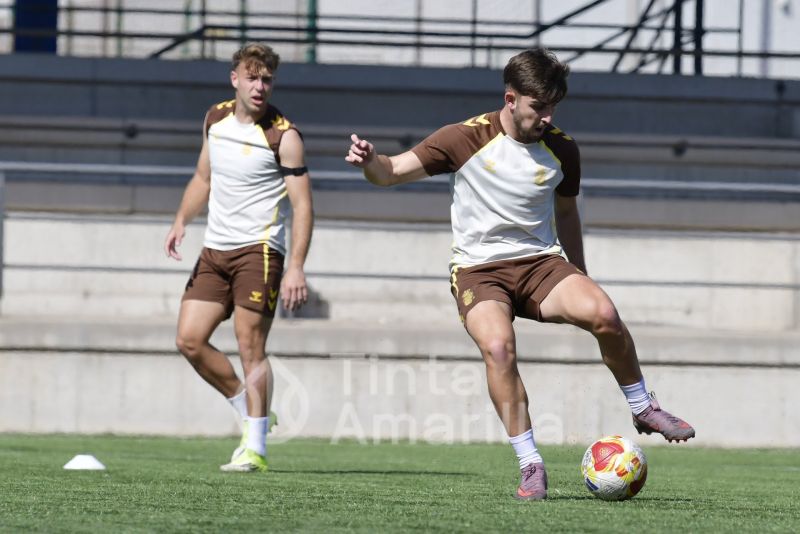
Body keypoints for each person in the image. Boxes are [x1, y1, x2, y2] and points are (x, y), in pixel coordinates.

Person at [345, 48, 694, 500]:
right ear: (511, 99)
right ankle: (531, 464)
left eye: (553, 107)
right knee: (498, 348)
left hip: (541, 264)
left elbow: (567, 212)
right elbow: (390, 173)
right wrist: (370, 159)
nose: (547, 117)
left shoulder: (563, 149)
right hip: (478, 270)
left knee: (604, 313)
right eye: (538, 107)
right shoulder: (463, 138)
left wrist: (580, 274)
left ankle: (643, 406)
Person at [164, 43, 313, 473]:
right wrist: (180, 221)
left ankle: (256, 447)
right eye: (252, 77)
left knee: (251, 346)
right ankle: (249, 413)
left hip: (260, 251)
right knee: (189, 340)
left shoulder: (284, 136)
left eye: (267, 79)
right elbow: (202, 177)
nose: (260, 86)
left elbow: (303, 206)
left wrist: (297, 265)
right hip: (215, 250)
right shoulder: (215, 119)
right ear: (235, 79)